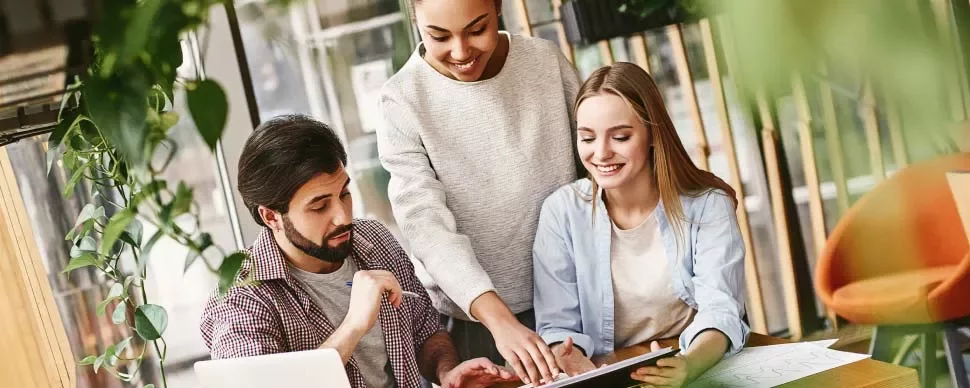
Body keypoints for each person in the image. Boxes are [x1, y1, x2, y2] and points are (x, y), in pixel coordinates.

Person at [200, 115, 518, 388]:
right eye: (319, 206)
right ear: (272, 217)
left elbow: (426, 333)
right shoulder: (241, 297)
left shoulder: (373, 239)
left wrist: (446, 372)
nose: (342, 216)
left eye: (345, 193)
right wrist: (354, 326)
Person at [376, 0, 582, 385]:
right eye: (438, 35)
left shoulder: (545, 62)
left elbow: (597, 168)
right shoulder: (401, 101)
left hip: (575, 305)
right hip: (476, 327)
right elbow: (427, 228)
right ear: (415, 19)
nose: (461, 51)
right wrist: (499, 320)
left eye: (476, 29)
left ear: (498, 7)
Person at [532, 63, 750, 387]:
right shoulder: (561, 212)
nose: (601, 153)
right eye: (587, 138)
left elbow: (721, 310)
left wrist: (689, 366)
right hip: (610, 373)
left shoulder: (708, 205)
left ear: (652, 133)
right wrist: (564, 352)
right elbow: (557, 326)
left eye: (620, 136)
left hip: (694, 364)